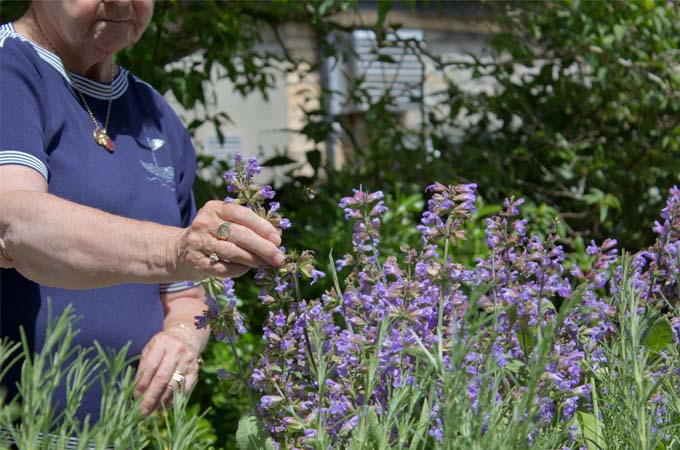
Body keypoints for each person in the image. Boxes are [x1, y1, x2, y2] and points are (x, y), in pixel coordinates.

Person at [0, 0, 285, 427]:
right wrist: (176, 247)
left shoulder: (152, 112)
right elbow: (14, 223)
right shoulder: (11, 70)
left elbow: (187, 292)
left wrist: (183, 337)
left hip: (125, 434)